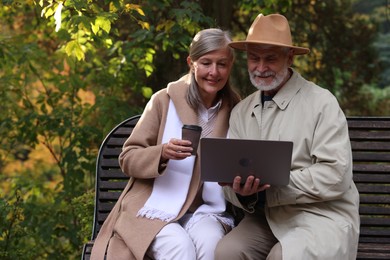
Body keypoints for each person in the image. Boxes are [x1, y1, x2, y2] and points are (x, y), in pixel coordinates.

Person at [214, 13, 360, 260]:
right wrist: (242, 193)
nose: (260, 68)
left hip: (322, 216)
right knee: (226, 252)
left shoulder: (322, 103)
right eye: (253, 58)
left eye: (270, 58)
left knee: (284, 257)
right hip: (266, 219)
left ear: (290, 57)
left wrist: (267, 191)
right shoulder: (241, 111)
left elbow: (335, 174)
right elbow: (228, 180)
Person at [90, 28, 241, 260]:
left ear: (230, 65)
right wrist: (161, 153)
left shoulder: (237, 109)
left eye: (222, 64)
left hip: (206, 211)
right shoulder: (163, 100)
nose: (214, 72)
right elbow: (128, 157)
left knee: (213, 247)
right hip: (153, 207)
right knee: (180, 249)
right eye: (206, 63)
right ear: (191, 63)